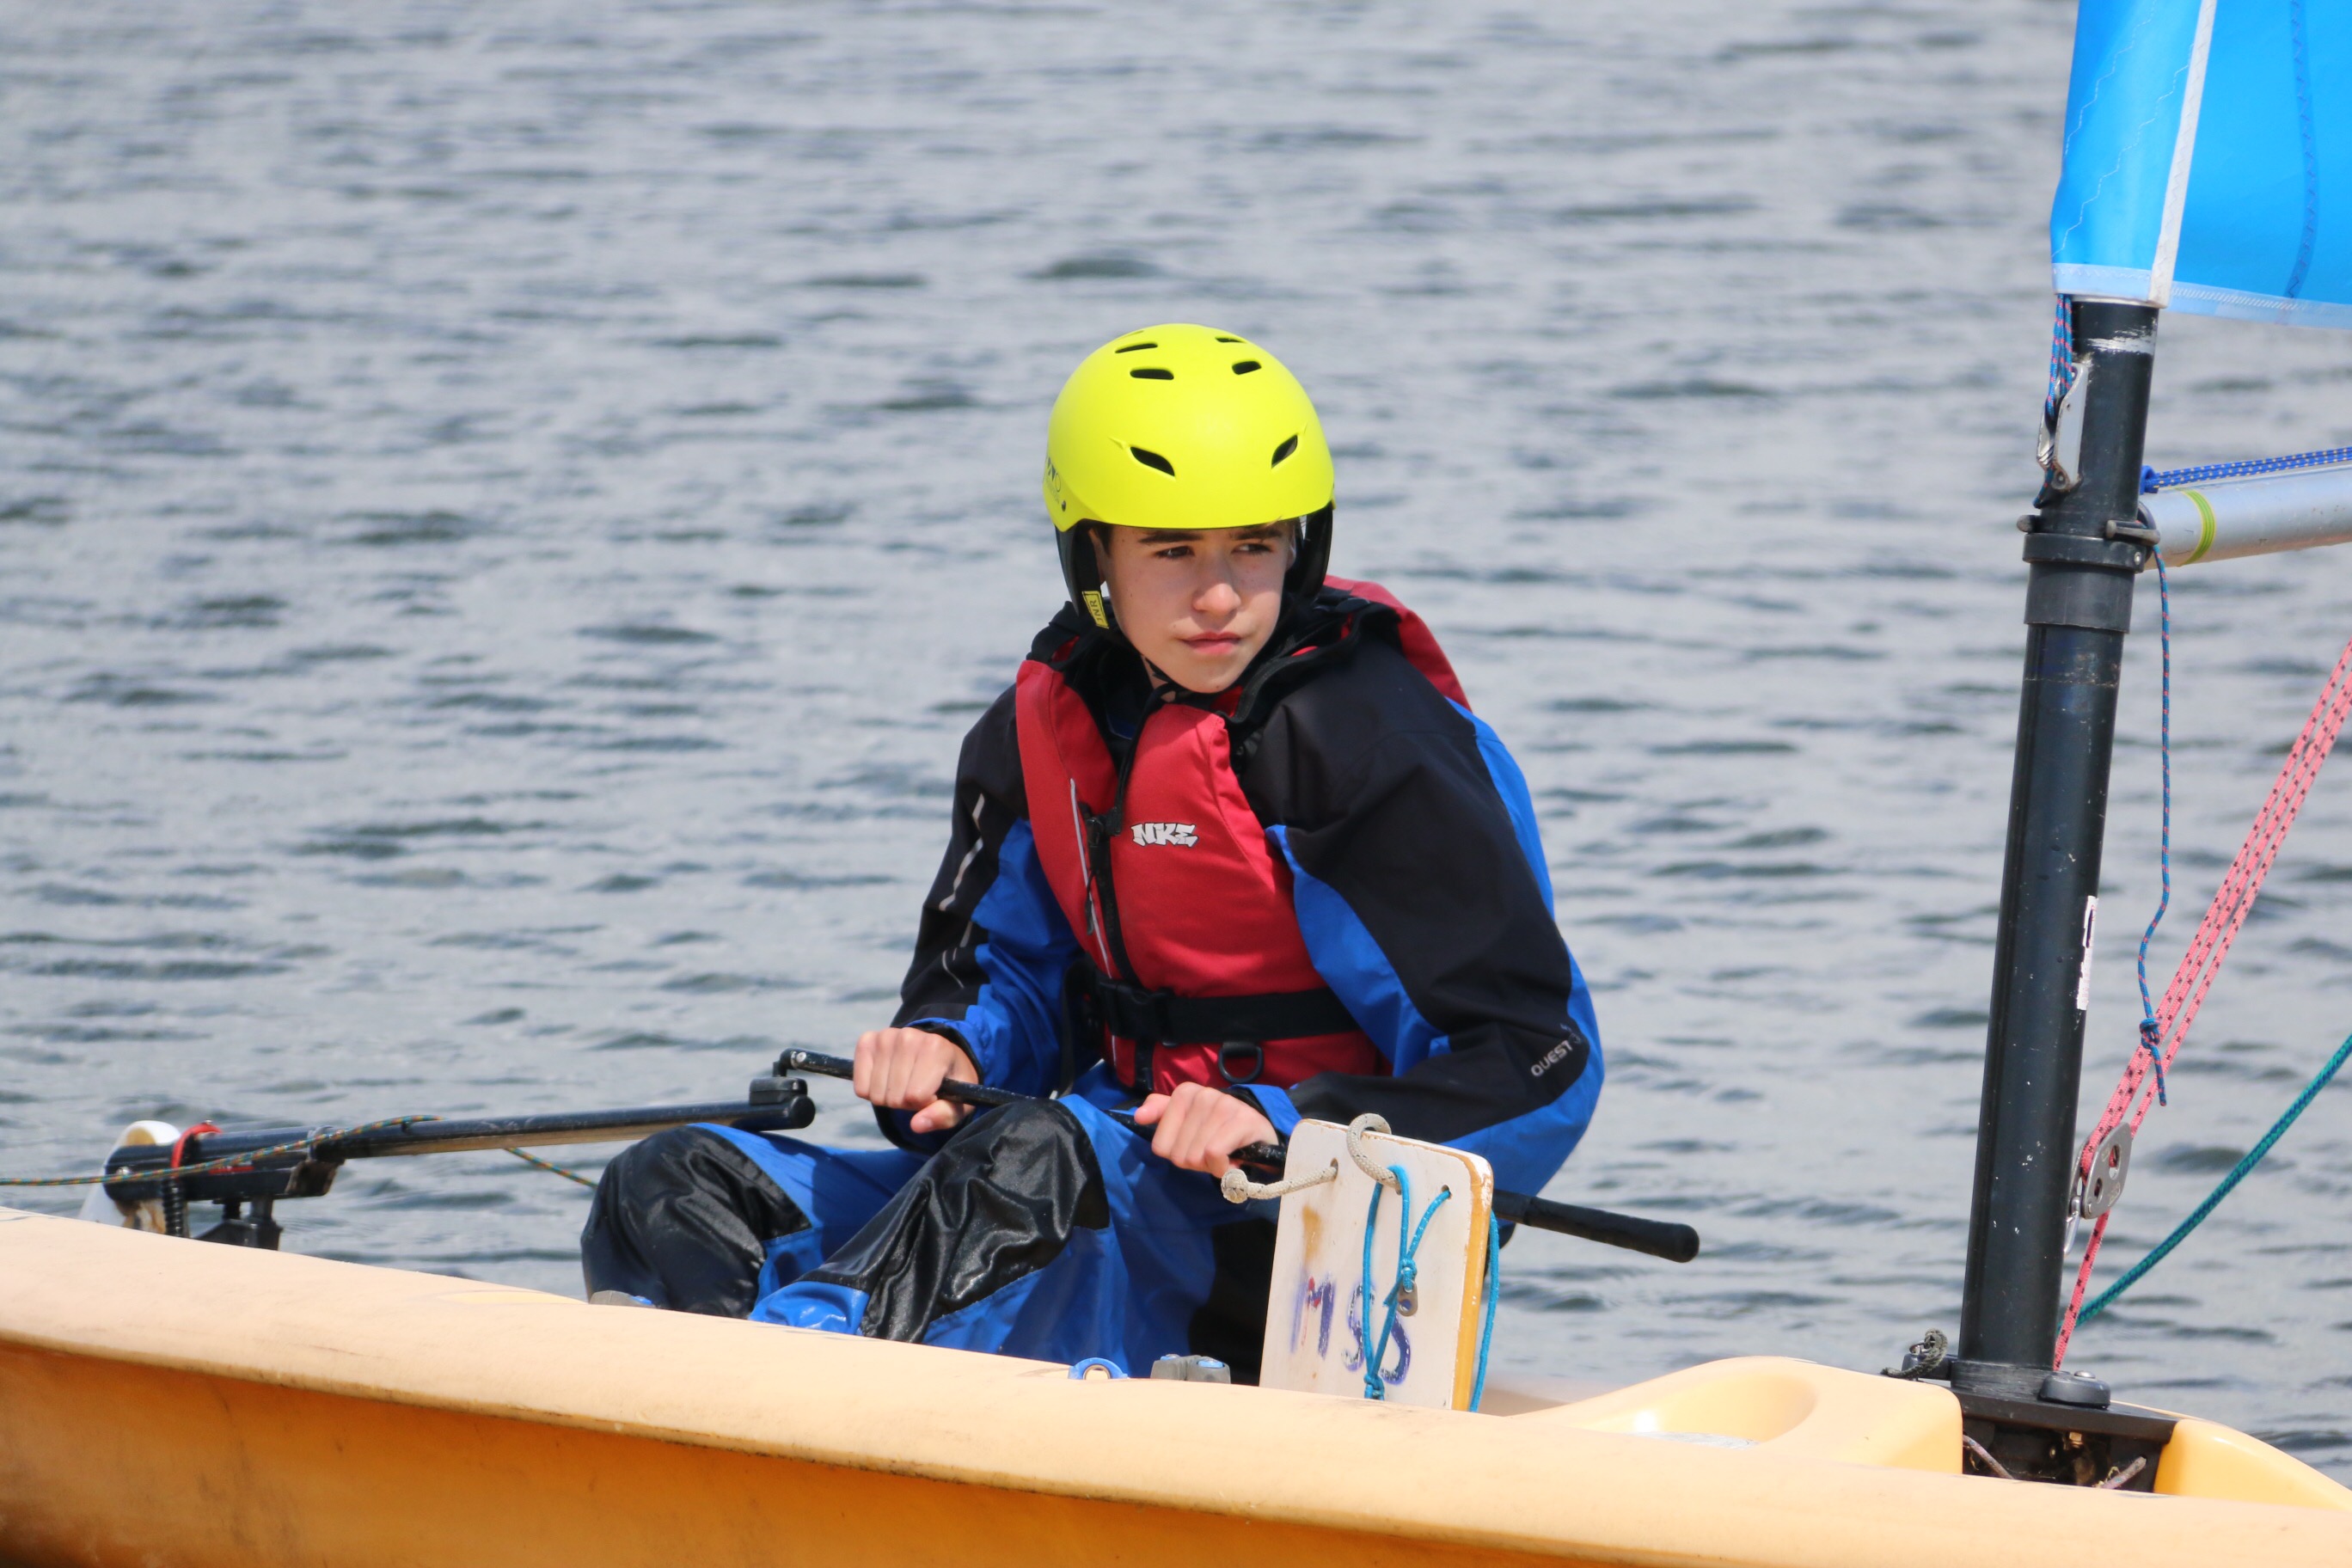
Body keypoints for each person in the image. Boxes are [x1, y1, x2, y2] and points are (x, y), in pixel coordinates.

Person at [580, 323, 1604, 1380]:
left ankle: (791, 1383)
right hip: (1092, 1189)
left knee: (1038, 1152)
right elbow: (1005, 983)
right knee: (672, 1182)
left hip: (1299, 1251)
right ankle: (707, 1406)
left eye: (1255, 546)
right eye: (1173, 552)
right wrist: (950, 1052)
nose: (1220, 595)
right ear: (1092, 554)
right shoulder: (1042, 732)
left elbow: (1538, 1059)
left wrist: (1285, 1124)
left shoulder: (1373, 746)